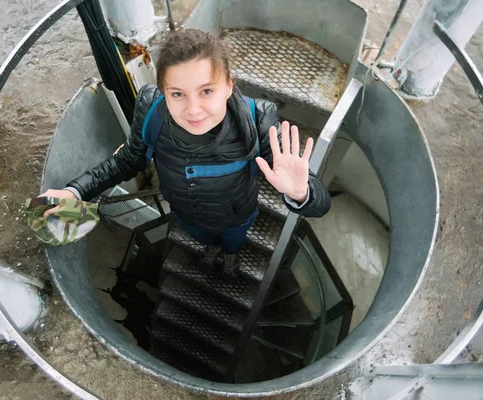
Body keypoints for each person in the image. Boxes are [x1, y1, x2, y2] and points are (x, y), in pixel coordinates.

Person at [40, 29, 331, 281]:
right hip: (186, 215)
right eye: (178, 94)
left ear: (228, 85)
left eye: (206, 91)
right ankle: (212, 250)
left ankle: (230, 258)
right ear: (164, 92)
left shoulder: (257, 120)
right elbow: (128, 161)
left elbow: (320, 205)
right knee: (205, 240)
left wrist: (302, 193)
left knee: (233, 243)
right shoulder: (152, 113)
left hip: (236, 217)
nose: (193, 110)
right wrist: (77, 192)